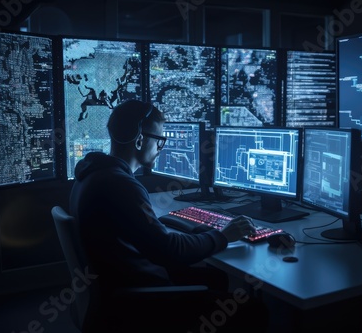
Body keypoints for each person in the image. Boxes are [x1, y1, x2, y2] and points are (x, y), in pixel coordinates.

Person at [69, 99, 268, 332]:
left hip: (118, 288)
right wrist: (223, 236)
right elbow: (170, 250)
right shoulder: (120, 184)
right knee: (253, 309)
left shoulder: (92, 173)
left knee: (214, 278)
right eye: (160, 140)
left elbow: (147, 237)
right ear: (140, 139)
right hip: (136, 303)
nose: (161, 148)